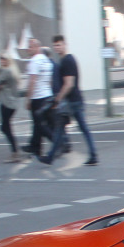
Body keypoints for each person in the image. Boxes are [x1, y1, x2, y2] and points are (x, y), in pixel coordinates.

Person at [39, 35, 98, 166]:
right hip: (71, 101)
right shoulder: (65, 60)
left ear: (65, 45)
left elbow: (69, 83)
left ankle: (93, 155)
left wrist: (58, 98)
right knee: (61, 128)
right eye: (55, 45)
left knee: (79, 128)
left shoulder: (67, 61)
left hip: (72, 101)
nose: (56, 48)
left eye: (59, 45)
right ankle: (50, 156)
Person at [23, 38, 54, 154]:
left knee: (40, 124)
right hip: (47, 95)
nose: (28, 49)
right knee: (38, 123)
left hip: (38, 97)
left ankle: (57, 142)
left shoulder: (34, 61)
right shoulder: (46, 60)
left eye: (30, 47)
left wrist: (28, 99)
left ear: (36, 47)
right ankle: (35, 147)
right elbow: (49, 80)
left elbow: (32, 81)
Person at [0, 54, 23, 162]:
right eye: (0, 59)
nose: (1, 61)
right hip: (13, 103)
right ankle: (15, 151)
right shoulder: (13, 70)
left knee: (5, 127)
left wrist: (0, 85)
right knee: (6, 127)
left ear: (8, 60)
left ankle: (15, 153)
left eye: (3, 59)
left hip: (6, 103)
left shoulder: (6, 71)